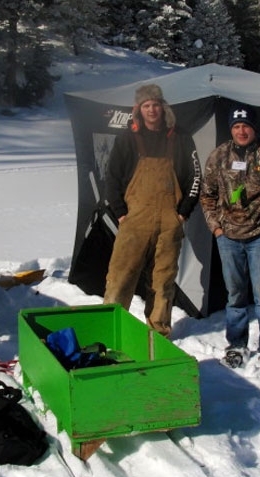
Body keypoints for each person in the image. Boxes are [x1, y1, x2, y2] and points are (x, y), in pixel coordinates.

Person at [200, 104, 260, 375]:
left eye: (246, 126)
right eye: (236, 126)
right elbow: (207, 195)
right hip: (228, 237)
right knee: (235, 295)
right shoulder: (219, 155)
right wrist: (216, 228)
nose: (242, 131)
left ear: (254, 128)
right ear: (232, 129)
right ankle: (237, 346)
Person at [103, 83, 201, 338]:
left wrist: (183, 212)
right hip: (135, 218)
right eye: (146, 105)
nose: (152, 110)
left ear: (163, 107)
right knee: (120, 275)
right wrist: (121, 213)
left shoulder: (180, 137)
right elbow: (111, 177)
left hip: (170, 218)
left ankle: (158, 332)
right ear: (139, 110)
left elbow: (195, 176)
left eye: (155, 104)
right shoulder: (127, 139)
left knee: (163, 278)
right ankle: (112, 328)